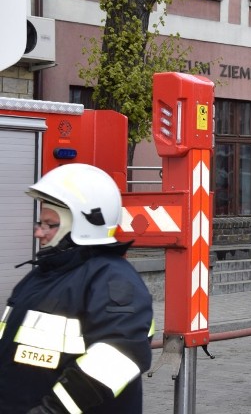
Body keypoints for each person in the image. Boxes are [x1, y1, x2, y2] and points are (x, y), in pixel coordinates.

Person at [0, 163, 154, 414]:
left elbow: (120, 356)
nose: (39, 231)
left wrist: (50, 411)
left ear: (84, 224)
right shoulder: (44, 274)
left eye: (49, 224)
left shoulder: (113, 280)